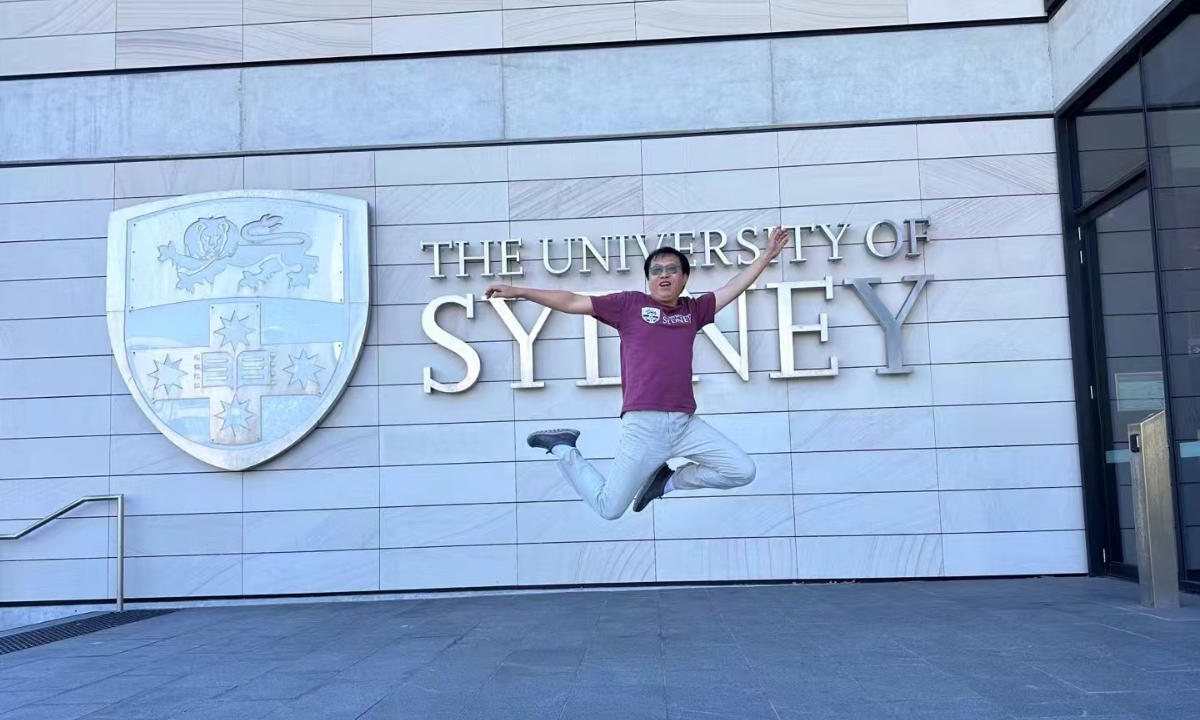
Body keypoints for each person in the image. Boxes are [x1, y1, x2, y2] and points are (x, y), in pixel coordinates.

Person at [484, 227, 791, 520]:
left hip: (685, 425)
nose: (664, 275)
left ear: (684, 278)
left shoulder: (693, 310)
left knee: (741, 471)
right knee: (609, 508)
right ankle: (563, 447)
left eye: (672, 269)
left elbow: (732, 287)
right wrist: (519, 290)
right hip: (644, 427)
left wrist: (766, 256)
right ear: (648, 279)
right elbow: (572, 301)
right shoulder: (629, 305)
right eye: (656, 270)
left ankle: (666, 483)